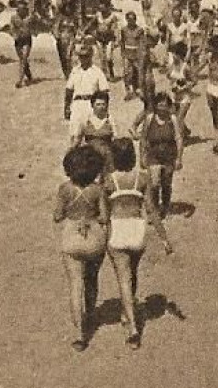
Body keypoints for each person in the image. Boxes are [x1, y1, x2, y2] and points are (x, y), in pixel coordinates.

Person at [105, 139, 173, 348]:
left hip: (117, 228)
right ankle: (129, 309)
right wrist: (164, 238)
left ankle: (132, 325)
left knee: (122, 277)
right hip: (136, 229)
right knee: (132, 272)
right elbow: (152, 210)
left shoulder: (108, 181)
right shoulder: (141, 179)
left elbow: (103, 213)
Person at [52, 144, 110, 351]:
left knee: (75, 284)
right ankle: (92, 314)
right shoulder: (97, 190)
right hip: (94, 236)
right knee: (92, 279)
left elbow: (57, 216)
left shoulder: (65, 189)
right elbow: (104, 217)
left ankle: (79, 334)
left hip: (72, 236)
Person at [135, 92, 183, 217]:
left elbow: (178, 138)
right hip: (153, 156)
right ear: (155, 106)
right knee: (154, 183)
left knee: (166, 183)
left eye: (164, 105)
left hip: (169, 156)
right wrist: (142, 156)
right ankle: (155, 208)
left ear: (169, 106)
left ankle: (165, 206)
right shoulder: (150, 118)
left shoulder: (173, 120)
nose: (162, 108)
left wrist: (179, 158)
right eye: (159, 105)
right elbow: (143, 139)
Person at [64, 40, 108, 140]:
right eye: (81, 57)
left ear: (91, 56)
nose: (83, 59)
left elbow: (104, 92)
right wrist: (66, 107)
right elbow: (69, 90)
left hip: (92, 105)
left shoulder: (97, 72)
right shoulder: (75, 71)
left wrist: (104, 108)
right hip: (77, 105)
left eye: (86, 56)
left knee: (93, 135)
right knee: (75, 136)